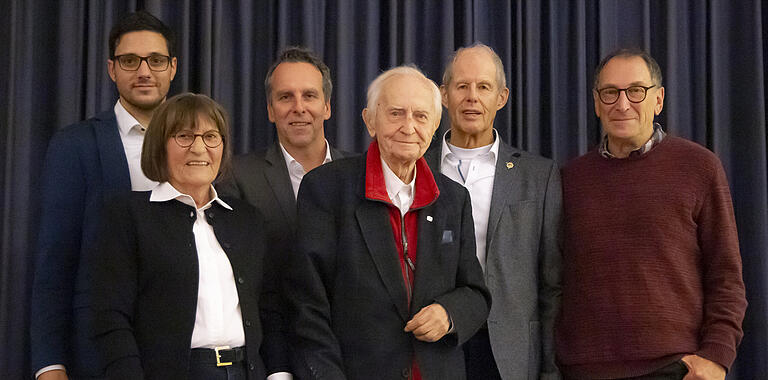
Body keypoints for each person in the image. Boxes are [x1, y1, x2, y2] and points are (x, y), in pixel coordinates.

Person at [284, 66, 491, 379]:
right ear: (370, 121)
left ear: (435, 125)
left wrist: (450, 314)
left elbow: (475, 292)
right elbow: (307, 306)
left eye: (421, 116)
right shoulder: (326, 189)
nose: (409, 127)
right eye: (396, 113)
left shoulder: (453, 198)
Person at [556, 48, 747, 380]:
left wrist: (716, 357)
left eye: (636, 91)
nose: (623, 103)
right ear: (597, 103)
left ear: (658, 100)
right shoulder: (570, 179)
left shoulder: (699, 167)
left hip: (673, 368)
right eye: (610, 92)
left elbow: (726, 275)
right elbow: (552, 280)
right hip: (584, 370)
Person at [87, 93, 290, 379]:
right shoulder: (128, 216)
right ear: (159, 146)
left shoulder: (247, 220)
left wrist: (279, 373)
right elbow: (110, 317)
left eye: (210, 137)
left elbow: (269, 309)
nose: (199, 148)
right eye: (184, 136)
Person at [30, 10, 177, 379]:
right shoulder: (74, 146)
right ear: (112, 69)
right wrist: (50, 365)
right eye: (130, 60)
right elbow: (55, 263)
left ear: (172, 68)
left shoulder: (200, 146)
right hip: (100, 354)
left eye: (156, 60)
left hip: (183, 351)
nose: (144, 71)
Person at [424, 43, 561, 379]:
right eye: (462, 86)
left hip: (509, 354)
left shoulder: (538, 176)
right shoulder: (415, 167)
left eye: (483, 87)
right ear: (444, 95)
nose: (472, 97)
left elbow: (552, 286)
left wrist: (550, 371)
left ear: (501, 97)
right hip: (432, 346)